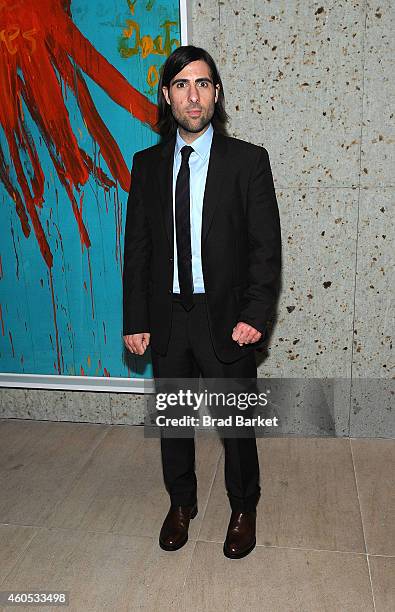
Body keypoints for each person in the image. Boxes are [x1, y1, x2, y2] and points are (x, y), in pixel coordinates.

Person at [122, 45, 281, 559]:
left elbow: (265, 248)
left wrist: (256, 315)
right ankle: (182, 504)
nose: (195, 95)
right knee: (173, 423)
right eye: (183, 85)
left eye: (204, 84)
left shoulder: (248, 161)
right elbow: (138, 249)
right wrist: (136, 317)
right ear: (166, 95)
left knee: (236, 426)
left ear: (217, 94)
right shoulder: (145, 165)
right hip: (168, 318)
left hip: (227, 319)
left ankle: (243, 507)